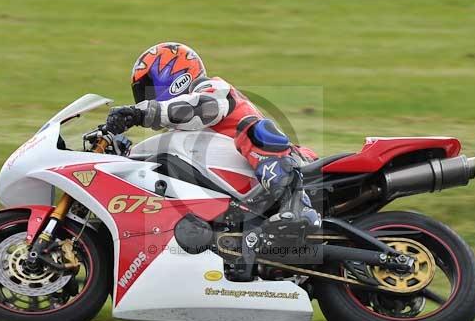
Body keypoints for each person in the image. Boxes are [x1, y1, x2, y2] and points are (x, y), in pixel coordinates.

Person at [104, 42, 321, 237]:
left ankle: (298, 206)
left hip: (296, 163)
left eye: (147, 88)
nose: (144, 99)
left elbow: (200, 107)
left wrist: (141, 113)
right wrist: (122, 155)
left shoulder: (213, 89)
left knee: (253, 129)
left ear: (174, 77)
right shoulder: (181, 134)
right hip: (248, 189)